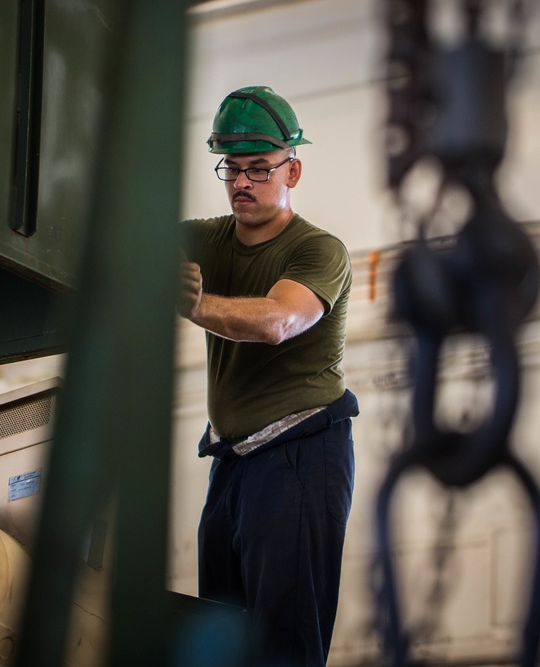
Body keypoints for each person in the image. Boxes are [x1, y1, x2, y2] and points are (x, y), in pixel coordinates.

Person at [178, 85, 359, 666]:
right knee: (220, 635)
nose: (242, 184)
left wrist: (196, 306)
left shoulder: (319, 251)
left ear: (293, 171)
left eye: (259, 168)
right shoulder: (206, 238)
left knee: (283, 646)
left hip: (300, 456)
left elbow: (279, 320)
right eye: (232, 169)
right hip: (233, 462)